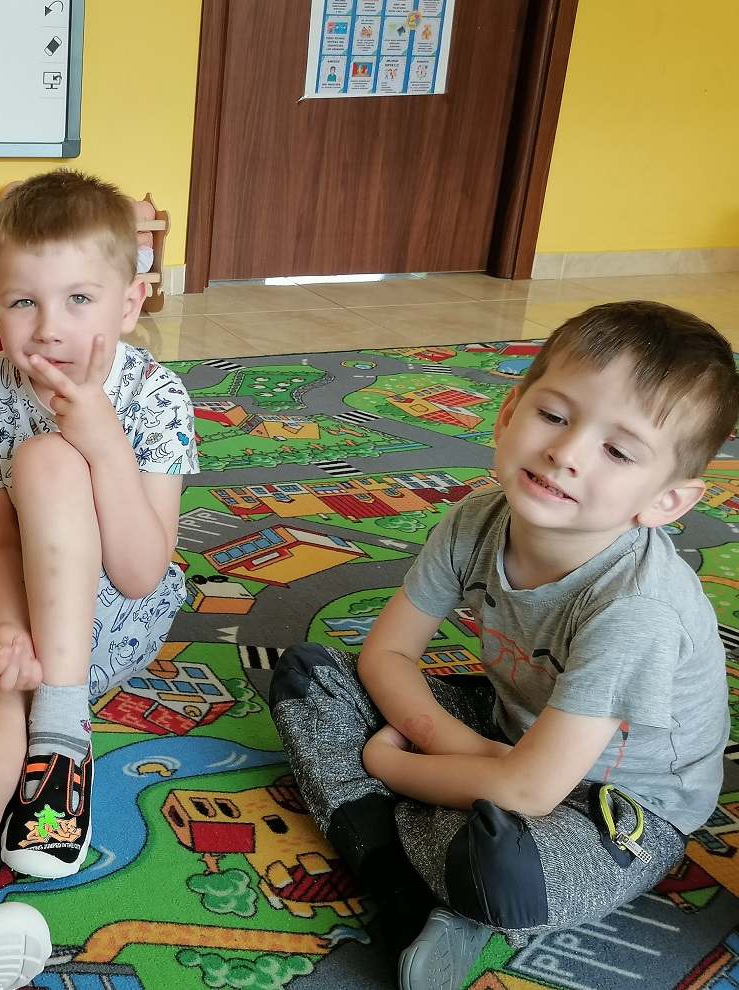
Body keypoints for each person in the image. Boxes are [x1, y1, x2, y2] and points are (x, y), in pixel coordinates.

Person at [269, 300, 739, 990]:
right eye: (554, 415)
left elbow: (533, 790)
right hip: (509, 731)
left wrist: (390, 764)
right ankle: (415, 890)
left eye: (616, 451)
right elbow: (386, 655)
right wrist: (464, 749)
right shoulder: (476, 521)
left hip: (616, 805)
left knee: (506, 872)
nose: (565, 454)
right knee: (310, 678)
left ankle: (393, 856)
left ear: (665, 501)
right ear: (509, 412)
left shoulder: (637, 610)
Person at [0, 171, 198, 990]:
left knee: (52, 458)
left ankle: (61, 726)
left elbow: (140, 571)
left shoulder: (156, 395)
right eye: (23, 302)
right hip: (12, 593)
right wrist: (10, 628)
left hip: (114, 610)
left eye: (79, 300)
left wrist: (102, 437)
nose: (50, 328)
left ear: (130, 303)